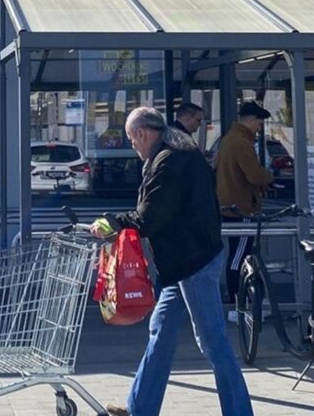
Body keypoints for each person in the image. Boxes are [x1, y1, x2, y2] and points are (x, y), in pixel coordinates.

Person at [91, 107, 253, 416]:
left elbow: (150, 217)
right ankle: (141, 408)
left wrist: (112, 222)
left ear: (141, 133)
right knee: (161, 332)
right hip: (182, 262)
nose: (132, 146)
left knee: (212, 341)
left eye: (131, 139)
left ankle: (239, 411)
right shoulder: (175, 151)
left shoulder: (169, 161)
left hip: (194, 262)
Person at [216, 102, 274, 322]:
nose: (260, 128)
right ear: (250, 120)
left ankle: (250, 299)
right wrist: (270, 176)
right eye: (259, 123)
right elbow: (254, 175)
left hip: (231, 206)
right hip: (241, 209)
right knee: (239, 257)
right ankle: (235, 302)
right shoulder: (241, 143)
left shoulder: (229, 139)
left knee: (242, 255)